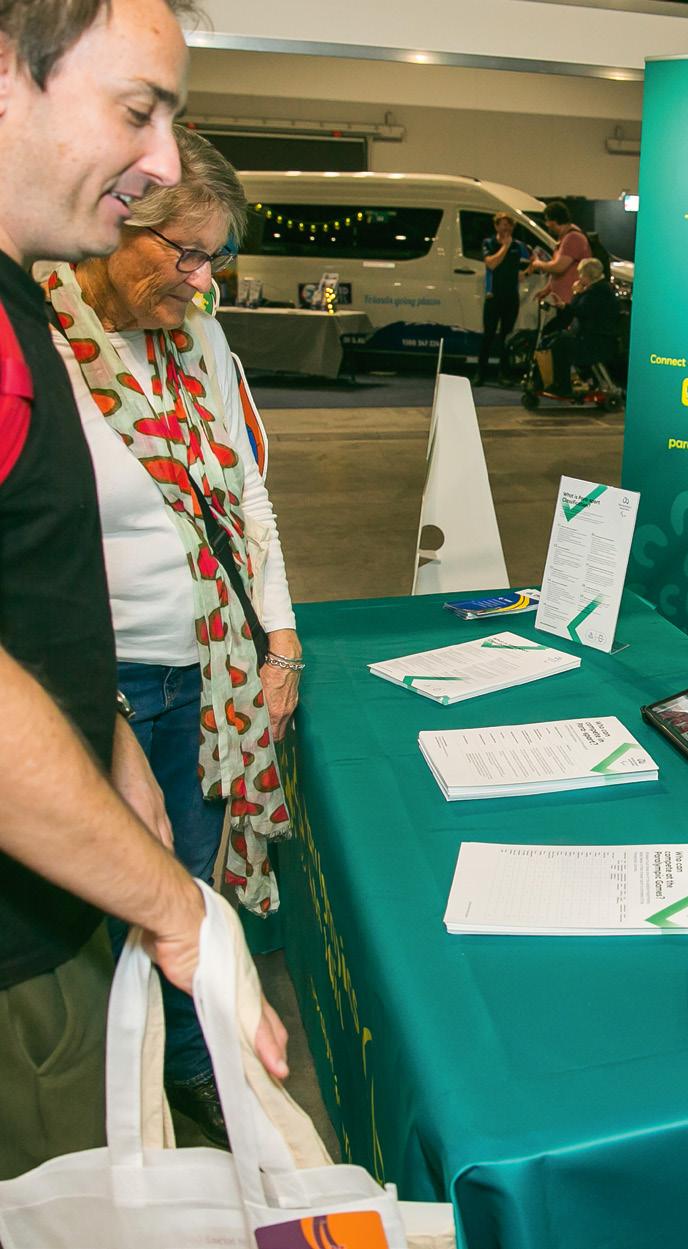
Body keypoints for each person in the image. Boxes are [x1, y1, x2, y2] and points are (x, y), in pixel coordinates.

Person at [0, 0, 286, 1178]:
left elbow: (30, 591)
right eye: (137, 111)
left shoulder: (30, 304)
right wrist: (176, 909)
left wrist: (106, 730)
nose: (160, 162)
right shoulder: (39, 328)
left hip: (146, 724)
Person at [45, 124, 301, 1145]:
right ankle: (93, 1102)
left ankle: (195, 1074)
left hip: (203, 677)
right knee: (87, 905)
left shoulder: (202, 341)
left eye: (216, 259)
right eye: (185, 253)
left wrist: (279, 639)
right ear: (117, 222)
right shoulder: (40, 344)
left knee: (190, 889)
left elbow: (244, 498)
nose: (200, 282)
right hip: (82, 688)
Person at [544, 256, 620, 399]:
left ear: (587, 275)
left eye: (580, 274)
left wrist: (576, 294)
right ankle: (563, 382)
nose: (579, 277)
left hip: (596, 342)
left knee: (560, 345)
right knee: (557, 338)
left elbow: (580, 311)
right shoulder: (599, 289)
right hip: (595, 338)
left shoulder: (597, 292)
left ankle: (563, 386)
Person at [476, 210, 527, 385]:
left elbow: (535, 259)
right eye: (503, 225)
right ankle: (480, 373)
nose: (506, 228)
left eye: (509, 225)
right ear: (496, 226)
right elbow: (491, 263)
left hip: (511, 297)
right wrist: (505, 247)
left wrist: (525, 273)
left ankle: (503, 374)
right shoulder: (489, 243)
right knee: (488, 335)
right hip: (493, 296)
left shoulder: (518, 246)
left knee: (506, 337)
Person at [527, 199, 590, 307]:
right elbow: (557, 271)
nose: (547, 224)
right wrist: (547, 290)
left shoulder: (573, 238)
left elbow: (558, 267)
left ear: (554, 221)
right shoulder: (565, 237)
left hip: (570, 302)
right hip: (563, 300)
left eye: (547, 220)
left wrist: (538, 263)